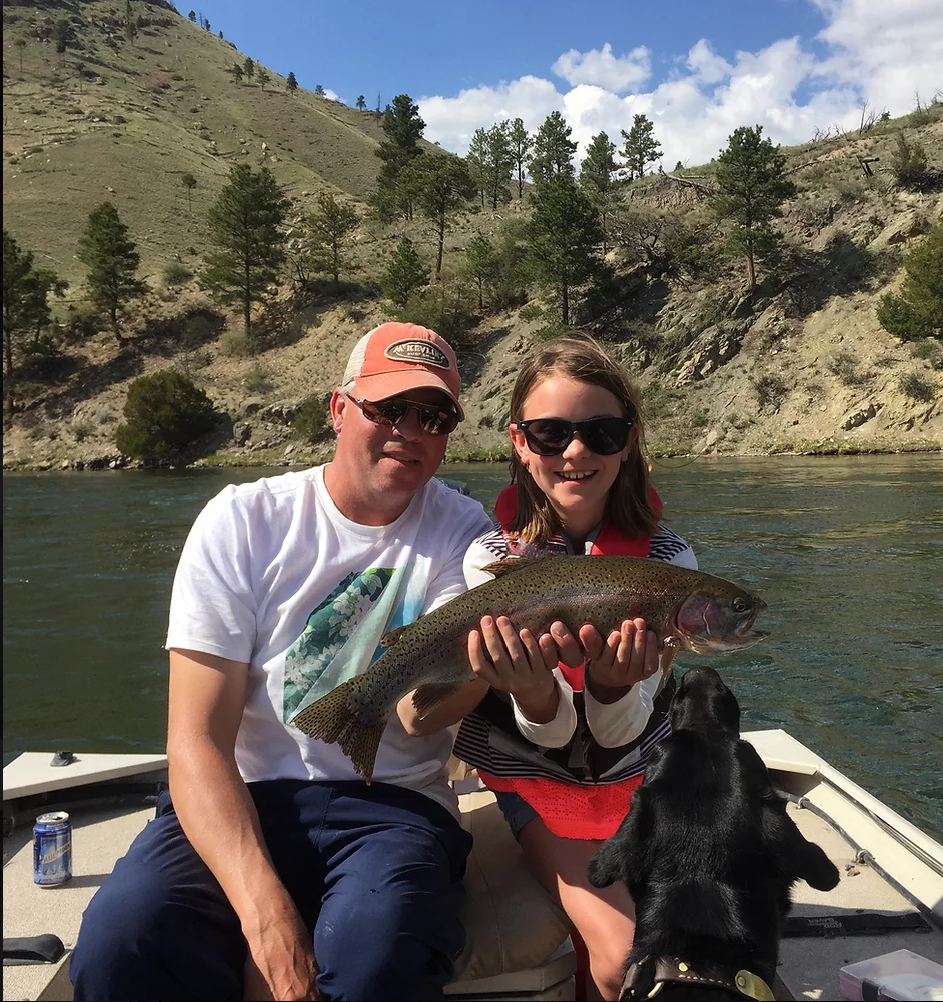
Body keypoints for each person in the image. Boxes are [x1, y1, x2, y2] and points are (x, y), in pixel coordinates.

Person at [70, 322, 495, 1002]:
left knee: (377, 954)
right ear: (338, 408)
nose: (409, 431)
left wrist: (495, 664)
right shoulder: (243, 520)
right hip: (242, 797)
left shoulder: (465, 533)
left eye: (434, 415)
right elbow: (196, 740)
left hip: (394, 809)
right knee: (125, 941)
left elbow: (421, 717)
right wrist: (264, 914)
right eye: (389, 409)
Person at [451, 335, 698, 1001]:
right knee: (625, 957)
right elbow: (552, 740)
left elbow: (622, 734)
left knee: (677, 948)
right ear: (519, 441)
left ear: (629, 439)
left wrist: (616, 683)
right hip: (535, 778)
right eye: (551, 433)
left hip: (630, 771)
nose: (576, 452)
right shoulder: (490, 561)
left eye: (600, 432)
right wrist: (532, 693)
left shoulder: (671, 564)